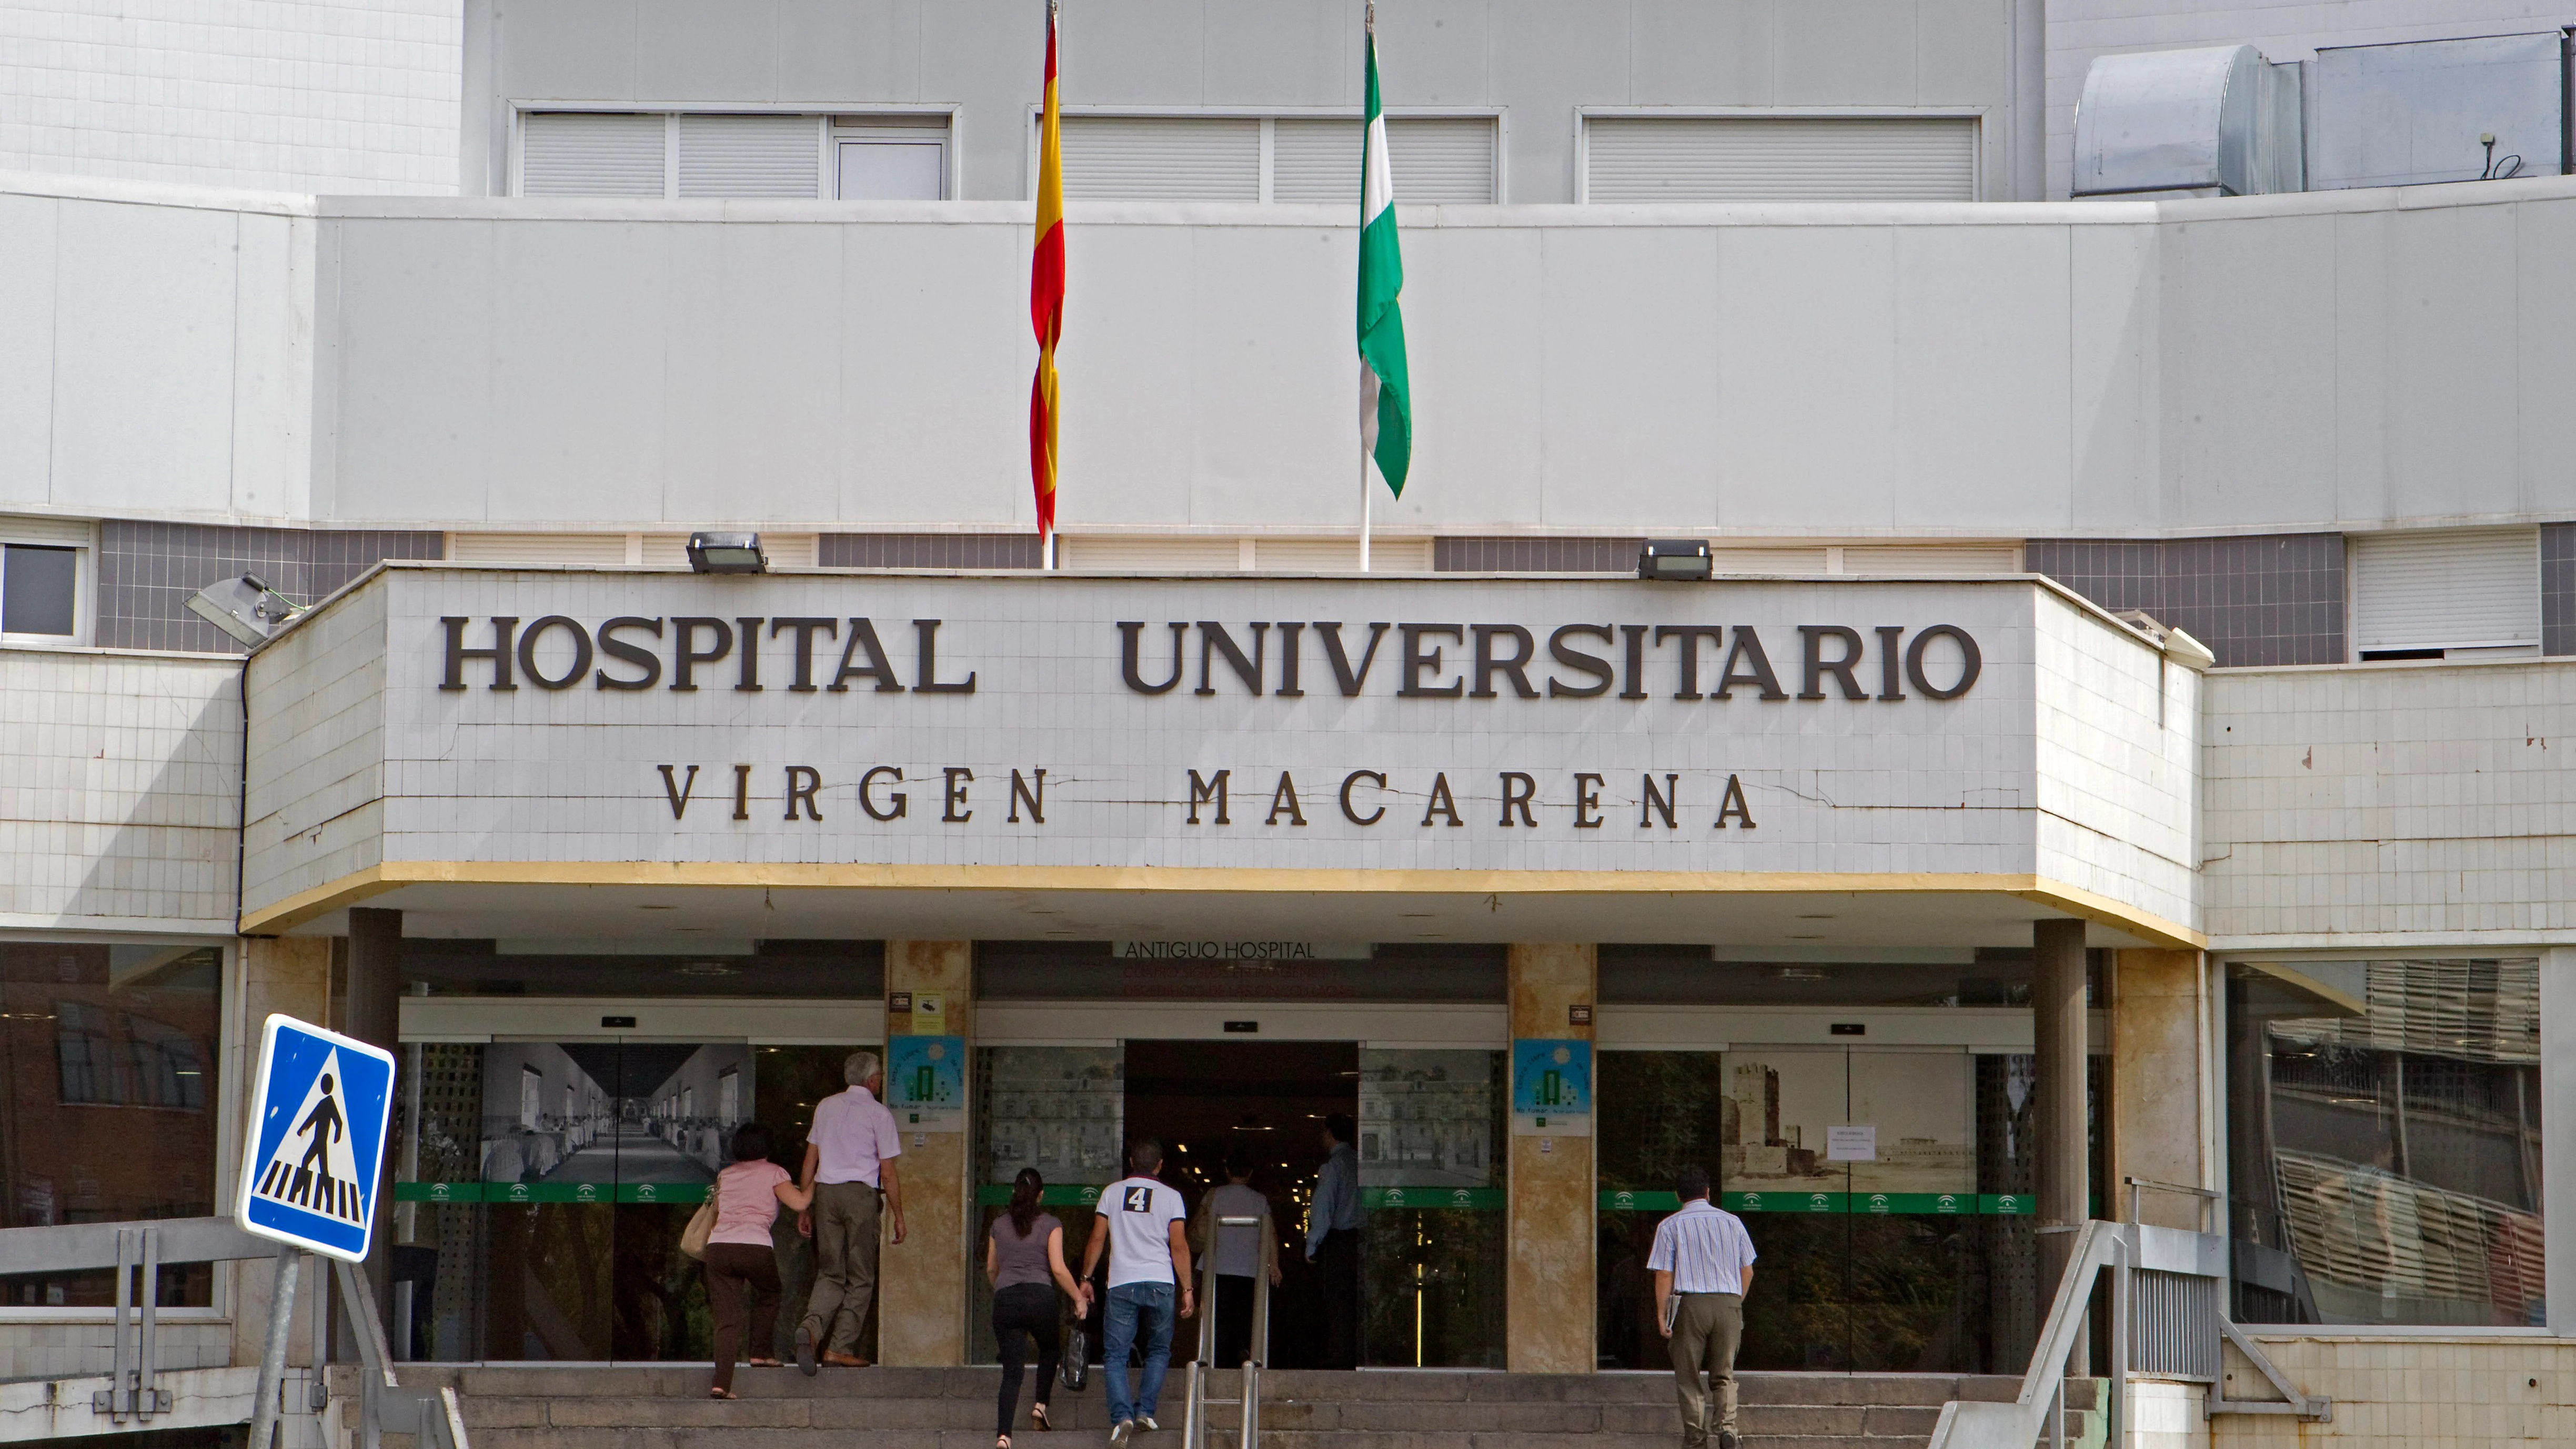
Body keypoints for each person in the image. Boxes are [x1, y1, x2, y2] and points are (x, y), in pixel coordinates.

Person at [793, 1051, 905, 1373]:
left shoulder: (825, 1107)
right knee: (861, 1277)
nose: (881, 1081)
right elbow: (888, 1173)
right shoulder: (878, 1113)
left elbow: (809, 1162)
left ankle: (811, 1329)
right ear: (872, 1080)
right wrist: (899, 1216)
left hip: (826, 1194)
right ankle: (839, 1348)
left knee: (830, 1272)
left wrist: (805, 1206)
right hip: (860, 1196)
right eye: (880, 1077)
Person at [1081, 1138, 1194, 1446]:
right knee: (1159, 1350)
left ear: (1131, 1162)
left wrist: (1086, 1277)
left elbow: (1097, 1239)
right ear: (1160, 1165)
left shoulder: (1111, 1194)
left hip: (1121, 1282)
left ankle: (1122, 1418)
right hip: (1160, 1281)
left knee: (1116, 1355)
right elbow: (1179, 1246)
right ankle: (1145, 1411)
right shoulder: (1172, 1197)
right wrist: (1187, 1287)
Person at [1650, 1165, 1758, 1449]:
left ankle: (1696, 1439)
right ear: (1708, 1193)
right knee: (1724, 1373)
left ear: (1678, 1196)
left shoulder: (1670, 1226)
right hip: (1729, 1303)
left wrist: (1662, 1316)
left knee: (1688, 1377)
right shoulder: (1733, 1222)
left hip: (1690, 1305)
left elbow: (1664, 1274)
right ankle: (1727, 1429)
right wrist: (1736, 1302)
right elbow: (1747, 1271)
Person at [705, 1123, 814, 1400]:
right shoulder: (774, 1172)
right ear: (766, 1147)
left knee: (726, 1320)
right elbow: (800, 1203)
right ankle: (760, 1353)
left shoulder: (725, 1175)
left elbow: (717, 1210)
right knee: (769, 1293)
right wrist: (816, 1179)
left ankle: (721, 1384)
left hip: (719, 1248)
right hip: (753, 1245)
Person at [988, 1168, 1091, 1448]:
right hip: (1039, 1297)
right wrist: (1078, 1298)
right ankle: (1040, 1405)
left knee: (1012, 1372)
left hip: (1006, 1298)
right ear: (1041, 1195)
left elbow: (990, 1269)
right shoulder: (1051, 1223)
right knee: (1050, 1349)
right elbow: (1058, 1269)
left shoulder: (998, 1225)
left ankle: (1004, 1436)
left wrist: (1005, 1289)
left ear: (1014, 1192)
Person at [1189, 1148, 1279, 1368]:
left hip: (1216, 1267)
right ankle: (1245, 1354)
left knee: (1217, 1318)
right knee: (1246, 1318)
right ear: (1250, 1173)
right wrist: (1274, 1265)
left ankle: (1215, 1360)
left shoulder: (1214, 1195)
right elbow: (1271, 1235)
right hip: (1250, 1269)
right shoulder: (1260, 1200)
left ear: (1227, 1171)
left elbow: (1197, 1225)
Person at [1304, 1112, 1362, 1369]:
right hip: (1365, 1240)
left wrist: (1312, 1243)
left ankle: (1339, 1357)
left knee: (1338, 1301)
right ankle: (1359, 1355)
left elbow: (1323, 1209)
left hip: (1340, 1241)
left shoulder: (1333, 1167)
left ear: (1329, 1133)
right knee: (1360, 1300)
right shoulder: (1362, 1164)